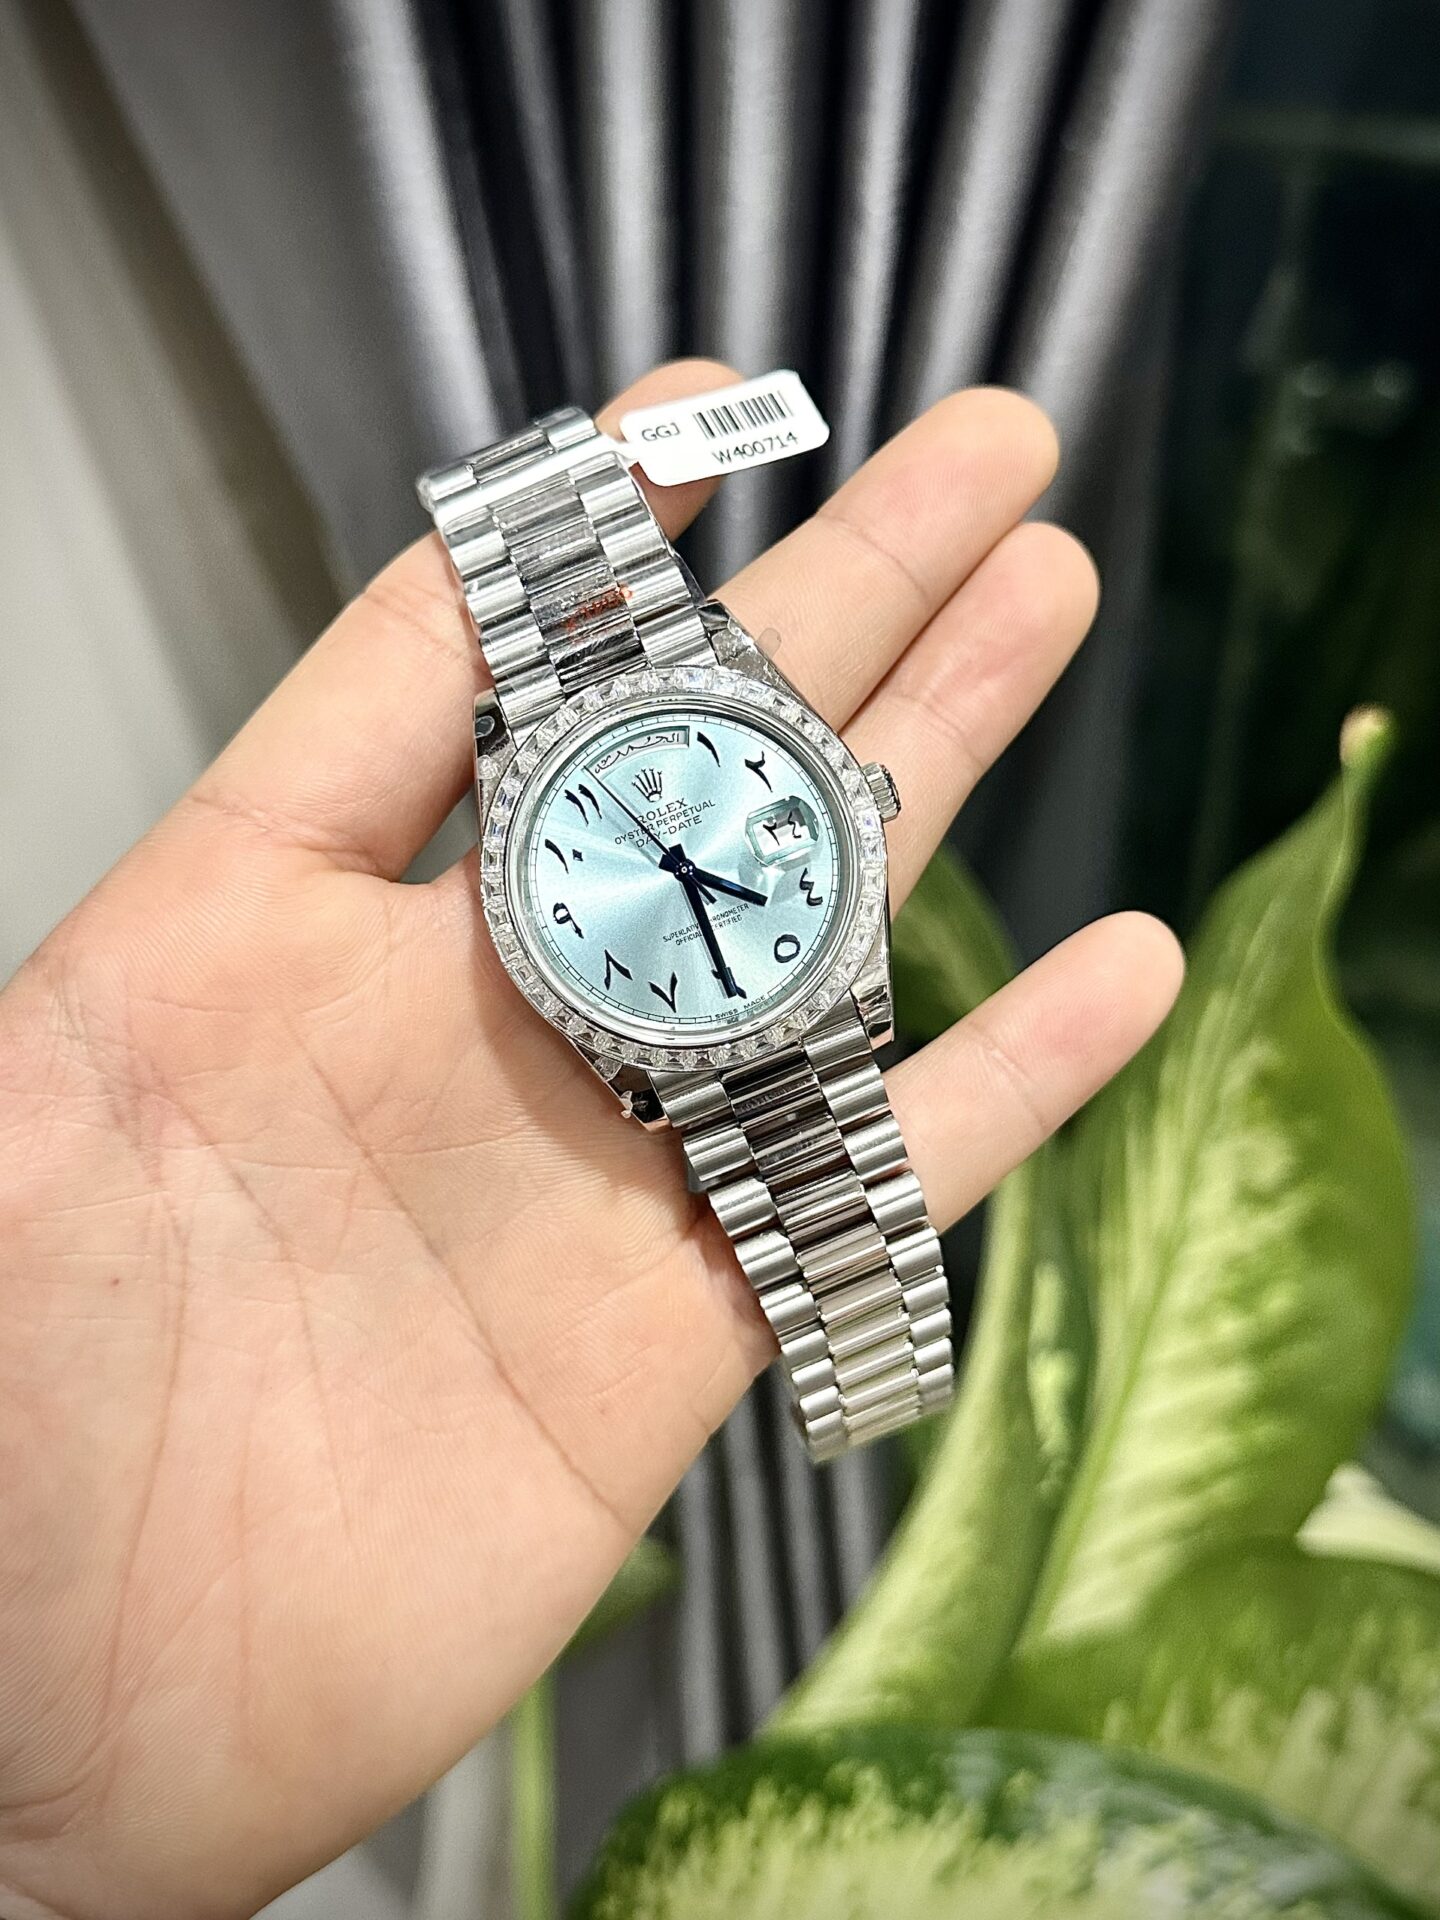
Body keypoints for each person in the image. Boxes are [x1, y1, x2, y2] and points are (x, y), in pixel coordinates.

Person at [0, 361, 1183, 1920]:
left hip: (781, 984)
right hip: (689, 1018)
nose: (678, 874)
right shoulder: (564, 913)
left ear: (854, 794)